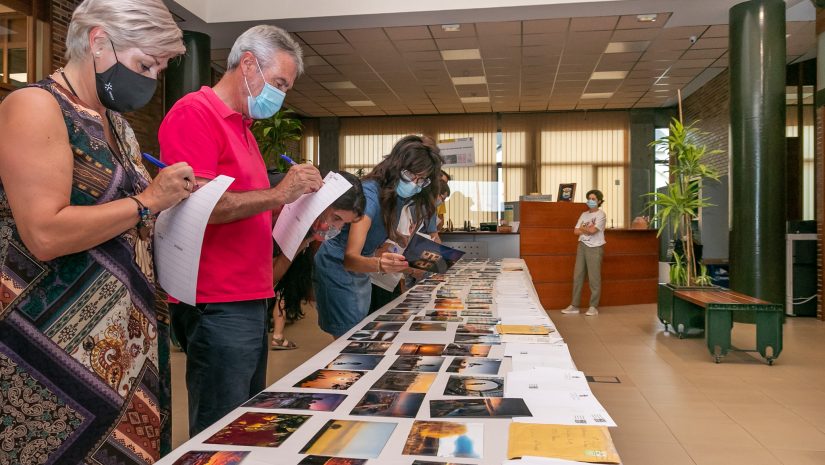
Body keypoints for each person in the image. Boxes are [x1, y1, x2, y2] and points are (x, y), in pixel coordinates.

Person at [0, 0, 188, 462]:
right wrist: (147, 202)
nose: (150, 80)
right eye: (146, 64)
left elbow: (127, 214)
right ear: (98, 41)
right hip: (51, 343)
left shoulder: (118, 124)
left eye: (159, 69)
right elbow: (44, 233)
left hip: (125, 336)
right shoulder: (34, 106)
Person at [158, 25, 323, 437]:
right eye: (279, 83)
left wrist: (300, 208)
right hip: (217, 299)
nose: (282, 95)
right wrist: (279, 193)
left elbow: (252, 210)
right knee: (220, 431)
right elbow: (201, 208)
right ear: (248, 64)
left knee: (246, 423)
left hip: (249, 293)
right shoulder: (194, 113)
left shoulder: (244, 128)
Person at [313, 135, 443, 337]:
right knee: (347, 333)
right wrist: (381, 265)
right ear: (396, 166)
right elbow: (351, 258)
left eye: (422, 180)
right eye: (412, 176)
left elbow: (381, 223)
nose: (415, 184)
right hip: (338, 266)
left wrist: (398, 236)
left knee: (359, 328)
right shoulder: (370, 196)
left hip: (361, 268)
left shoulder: (396, 194)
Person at [268, 170, 365, 350]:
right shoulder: (280, 210)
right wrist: (302, 242)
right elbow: (269, 278)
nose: (336, 227)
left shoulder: (309, 231)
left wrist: (306, 241)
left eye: (343, 224)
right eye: (336, 218)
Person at [562, 189, 607, 316]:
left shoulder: (601, 214)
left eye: (593, 199)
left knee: (594, 278)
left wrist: (583, 228)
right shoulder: (584, 214)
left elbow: (593, 230)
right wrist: (586, 229)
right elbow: (575, 231)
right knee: (578, 276)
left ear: (599, 201)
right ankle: (574, 305)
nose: (590, 201)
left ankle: (593, 306)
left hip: (595, 247)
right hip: (582, 246)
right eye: (589, 199)